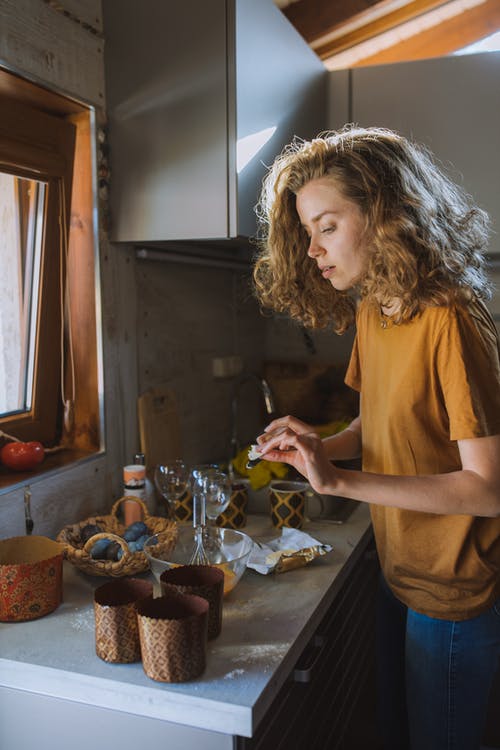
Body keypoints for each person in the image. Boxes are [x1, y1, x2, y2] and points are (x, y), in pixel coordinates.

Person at [252, 125, 500, 750]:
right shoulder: (376, 307)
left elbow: (488, 488)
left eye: (327, 226)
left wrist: (339, 481)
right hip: (399, 570)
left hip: (454, 591)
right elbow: (379, 426)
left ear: (387, 214)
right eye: (307, 232)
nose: (312, 249)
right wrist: (319, 446)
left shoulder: (449, 317)